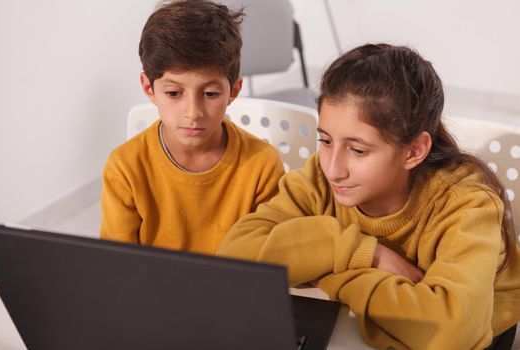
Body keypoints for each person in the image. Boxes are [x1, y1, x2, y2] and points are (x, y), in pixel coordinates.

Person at [217, 43, 520, 349]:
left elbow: (450, 333)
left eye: (358, 150)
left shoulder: (467, 200)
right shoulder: (320, 177)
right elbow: (234, 258)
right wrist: (359, 251)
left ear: (414, 151)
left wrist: (329, 274)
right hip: (366, 330)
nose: (333, 168)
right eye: (325, 140)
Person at [100, 0, 284, 254]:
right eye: (174, 93)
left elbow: (270, 256)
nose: (193, 113)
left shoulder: (262, 165)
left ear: (234, 90)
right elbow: (116, 264)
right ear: (149, 89)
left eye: (209, 93)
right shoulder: (124, 167)